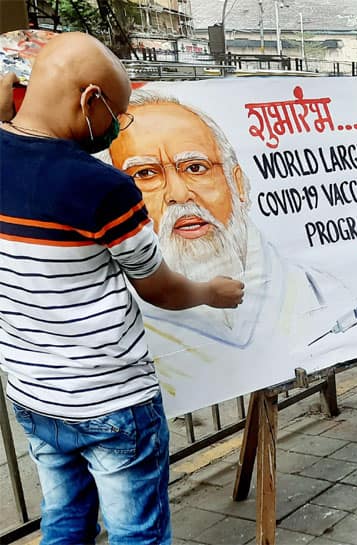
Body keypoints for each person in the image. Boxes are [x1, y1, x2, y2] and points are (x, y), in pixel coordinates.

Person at [0, 33, 243, 545]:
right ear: (90, 100)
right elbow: (160, 288)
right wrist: (211, 292)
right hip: (110, 399)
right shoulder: (101, 187)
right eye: (117, 113)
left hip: (32, 393)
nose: (115, 127)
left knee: (63, 518)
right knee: (137, 534)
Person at [105, 91, 350, 352]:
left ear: (239, 184)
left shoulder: (321, 293)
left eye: (195, 167)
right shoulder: (120, 329)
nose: (178, 194)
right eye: (145, 174)